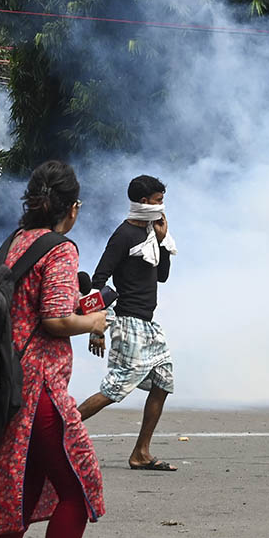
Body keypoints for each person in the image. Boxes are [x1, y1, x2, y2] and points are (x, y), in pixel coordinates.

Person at [0, 161, 107, 538]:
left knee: (17, 497)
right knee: (80, 490)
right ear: (72, 208)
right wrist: (93, 321)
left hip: (2, 383)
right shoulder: (61, 247)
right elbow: (55, 319)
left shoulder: (15, 241)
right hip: (39, 388)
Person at [77, 175, 177, 471]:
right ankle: (52, 432)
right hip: (128, 323)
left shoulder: (151, 233)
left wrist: (160, 241)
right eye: (158, 201)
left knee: (163, 382)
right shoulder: (123, 235)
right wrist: (96, 327)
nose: (162, 207)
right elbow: (98, 281)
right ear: (144, 202)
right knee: (115, 389)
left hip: (149, 325)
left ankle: (141, 452)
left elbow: (162, 275)